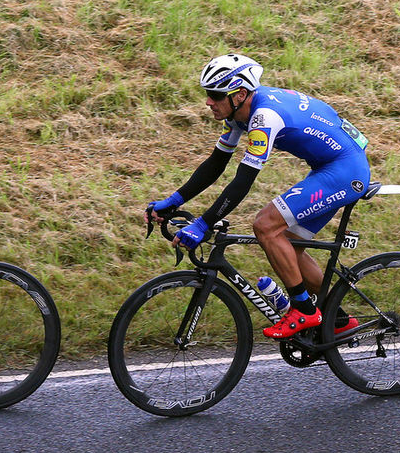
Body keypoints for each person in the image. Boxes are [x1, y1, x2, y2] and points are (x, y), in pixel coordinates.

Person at [146, 54, 370, 339]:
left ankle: (304, 310)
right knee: (288, 245)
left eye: (215, 95)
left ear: (240, 94)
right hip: (330, 166)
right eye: (207, 94)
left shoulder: (264, 117)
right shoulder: (239, 114)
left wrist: (203, 224)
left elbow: (243, 181)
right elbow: (216, 164)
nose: (208, 102)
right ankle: (337, 320)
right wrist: (173, 201)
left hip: (345, 170)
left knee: (266, 225)